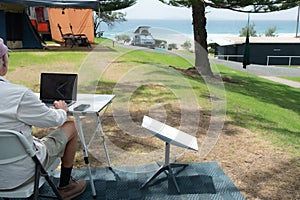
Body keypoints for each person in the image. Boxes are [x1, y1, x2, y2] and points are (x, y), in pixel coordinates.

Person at [0, 38, 86, 200]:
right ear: (4, 62)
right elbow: (53, 120)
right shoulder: (19, 95)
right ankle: (66, 186)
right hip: (22, 175)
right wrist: (61, 111)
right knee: (70, 126)